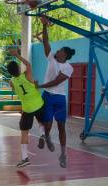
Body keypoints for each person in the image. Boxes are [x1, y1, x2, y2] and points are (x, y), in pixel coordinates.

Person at [37, 15, 75, 168]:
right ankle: (46, 137)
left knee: (61, 126)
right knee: (47, 123)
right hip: (47, 96)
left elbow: (57, 81)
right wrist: (45, 25)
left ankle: (63, 154)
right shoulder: (51, 58)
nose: (56, 51)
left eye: (59, 50)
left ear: (64, 55)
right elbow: (46, 42)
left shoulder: (68, 68)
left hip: (59, 98)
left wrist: (41, 86)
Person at [7, 48, 45, 168]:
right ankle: (42, 133)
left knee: (24, 133)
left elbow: (16, 90)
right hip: (38, 104)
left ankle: (25, 158)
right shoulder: (26, 75)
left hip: (27, 108)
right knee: (40, 118)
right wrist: (17, 55)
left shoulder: (11, 82)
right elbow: (28, 64)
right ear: (19, 68)